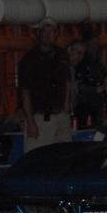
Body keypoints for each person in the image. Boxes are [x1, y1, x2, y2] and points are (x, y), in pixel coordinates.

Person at [18, 18, 71, 151]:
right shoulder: (29, 59)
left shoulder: (62, 55)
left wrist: (67, 103)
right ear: (39, 34)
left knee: (63, 155)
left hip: (61, 115)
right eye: (44, 31)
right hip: (41, 118)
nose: (48, 35)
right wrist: (30, 121)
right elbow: (25, 91)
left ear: (56, 34)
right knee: (36, 156)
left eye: (51, 32)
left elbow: (67, 80)